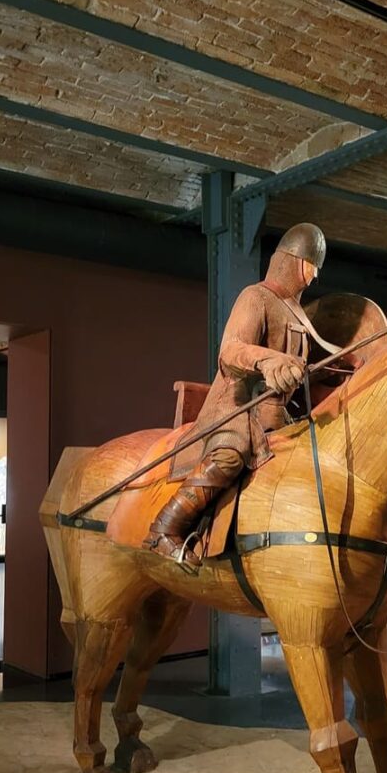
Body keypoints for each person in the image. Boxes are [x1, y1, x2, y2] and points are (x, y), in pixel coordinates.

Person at [147, 222, 329, 563]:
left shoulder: (300, 314)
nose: (313, 276)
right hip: (236, 407)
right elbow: (230, 352)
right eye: (309, 265)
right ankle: (165, 528)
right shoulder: (255, 297)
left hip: (276, 415)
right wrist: (268, 359)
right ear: (292, 260)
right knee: (230, 456)